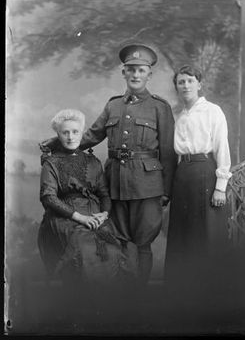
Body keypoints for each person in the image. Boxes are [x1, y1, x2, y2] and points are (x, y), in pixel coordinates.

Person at [40, 44, 177, 286]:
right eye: (131, 70)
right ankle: (122, 294)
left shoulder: (159, 107)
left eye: (141, 70)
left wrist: (166, 191)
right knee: (119, 238)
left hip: (148, 186)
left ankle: (141, 296)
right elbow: (92, 136)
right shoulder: (113, 105)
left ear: (149, 74)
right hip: (116, 183)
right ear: (124, 73)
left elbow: (167, 152)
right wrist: (55, 142)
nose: (135, 75)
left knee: (143, 241)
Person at [38, 109, 138, 291]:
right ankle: (87, 302)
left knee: (117, 247)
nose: (70, 137)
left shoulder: (93, 162)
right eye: (65, 132)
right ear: (58, 135)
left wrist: (104, 214)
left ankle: (112, 304)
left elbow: (104, 194)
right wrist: (80, 218)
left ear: (82, 133)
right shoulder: (51, 163)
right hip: (64, 217)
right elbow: (49, 197)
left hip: (96, 215)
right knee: (85, 247)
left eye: (75, 132)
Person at [164, 65, 232, 289]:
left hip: (205, 171)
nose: (185, 86)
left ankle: (209, 289)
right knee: (183, 231)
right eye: (181, 82)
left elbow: (222, 147)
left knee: (206, 230)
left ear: (199, 84)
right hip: (183, 174)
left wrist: (220, 186)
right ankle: (181, 288)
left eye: (190, 81)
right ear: (176, 87)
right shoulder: (180, 115)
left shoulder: (213, 110)